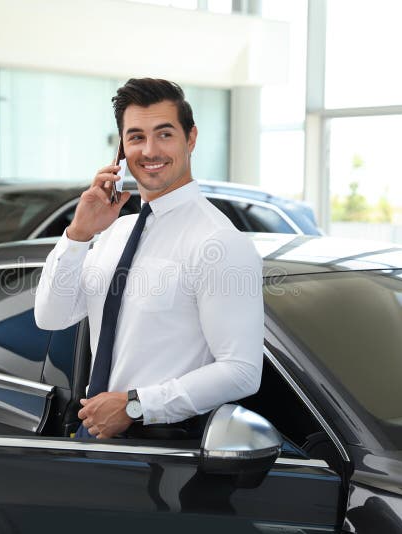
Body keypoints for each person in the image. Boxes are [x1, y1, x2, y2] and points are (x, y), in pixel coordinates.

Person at [34, 78, 263, 440]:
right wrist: (78, 234)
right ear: (121, 152)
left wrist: (134, 406)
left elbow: (242, 370)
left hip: (160, 452)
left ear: (191, 139)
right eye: (136, 137)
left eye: (165, 134)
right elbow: (51, 315)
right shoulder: (114, 233)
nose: (150, 150)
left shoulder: (218, 242)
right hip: (92, 439)